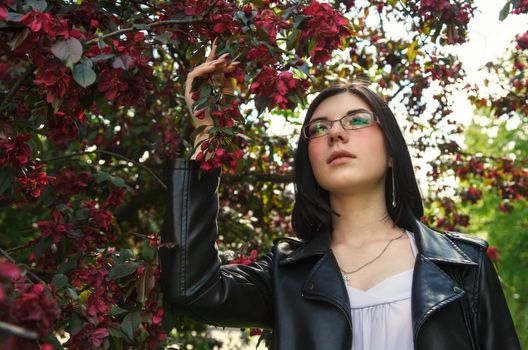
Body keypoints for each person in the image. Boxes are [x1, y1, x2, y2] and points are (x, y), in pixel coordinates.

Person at [160, 39, 522, 350]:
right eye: (319, 128)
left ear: (393, 150)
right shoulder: (288, 274)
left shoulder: (464, 266)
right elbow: (192, 289)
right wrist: (209, 134)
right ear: (310, 162)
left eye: (357, 120)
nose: (336, 134)